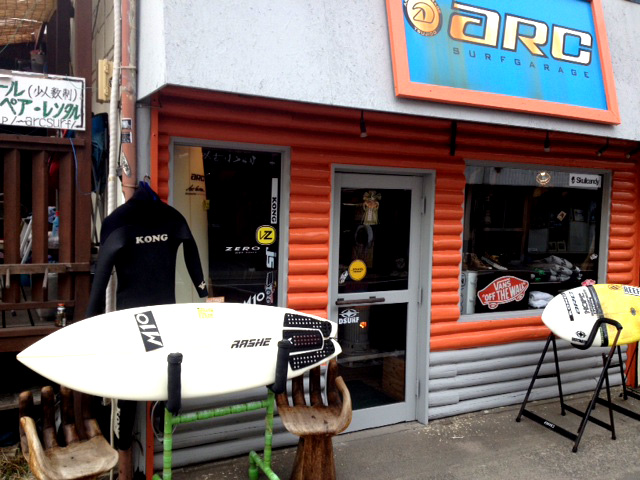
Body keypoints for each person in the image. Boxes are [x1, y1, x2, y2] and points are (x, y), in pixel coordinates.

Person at [86, 181, 208, 479]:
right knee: (164, 370)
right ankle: (159, 421)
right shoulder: (170, 217)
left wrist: (92, 317)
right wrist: (203, 291)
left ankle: (127, 443)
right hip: (163, 314)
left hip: (133, 316)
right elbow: (192, 251)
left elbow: (101, 276)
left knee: (132, 384)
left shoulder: (118, 222)